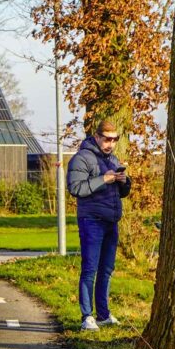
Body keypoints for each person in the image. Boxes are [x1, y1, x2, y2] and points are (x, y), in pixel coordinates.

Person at [65, 121, 131, 330]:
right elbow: (76, 188)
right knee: (90, 269)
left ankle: (103, 314)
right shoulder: (81, 158)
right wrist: (103, 179)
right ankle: (87, 316)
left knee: (107, 270)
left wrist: (124, 181)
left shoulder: (113, 159)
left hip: (111, 221)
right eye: (107, 139)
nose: (111, 144)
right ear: (96, 137)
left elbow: (122, 193)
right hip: (91, 221)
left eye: (114, 139)